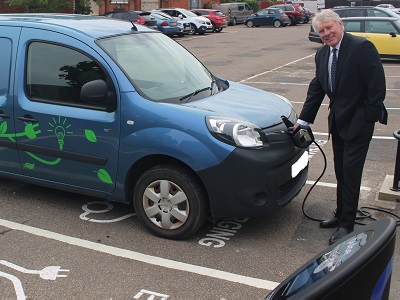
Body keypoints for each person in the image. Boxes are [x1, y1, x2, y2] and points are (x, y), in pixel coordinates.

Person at [294, 9, 387, 245]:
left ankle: (347, 225)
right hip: (337, 122)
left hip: (359, 124)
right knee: (341, 172)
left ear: (340, 25)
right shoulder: (323, 54)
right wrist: (303, 121)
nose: (326, 34)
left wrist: (365, 119)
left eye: (329, 28)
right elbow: (318, 87)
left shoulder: (361, 48)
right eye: (321, 31)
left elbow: (377, 90)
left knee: (351, 174)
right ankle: (340, 214)